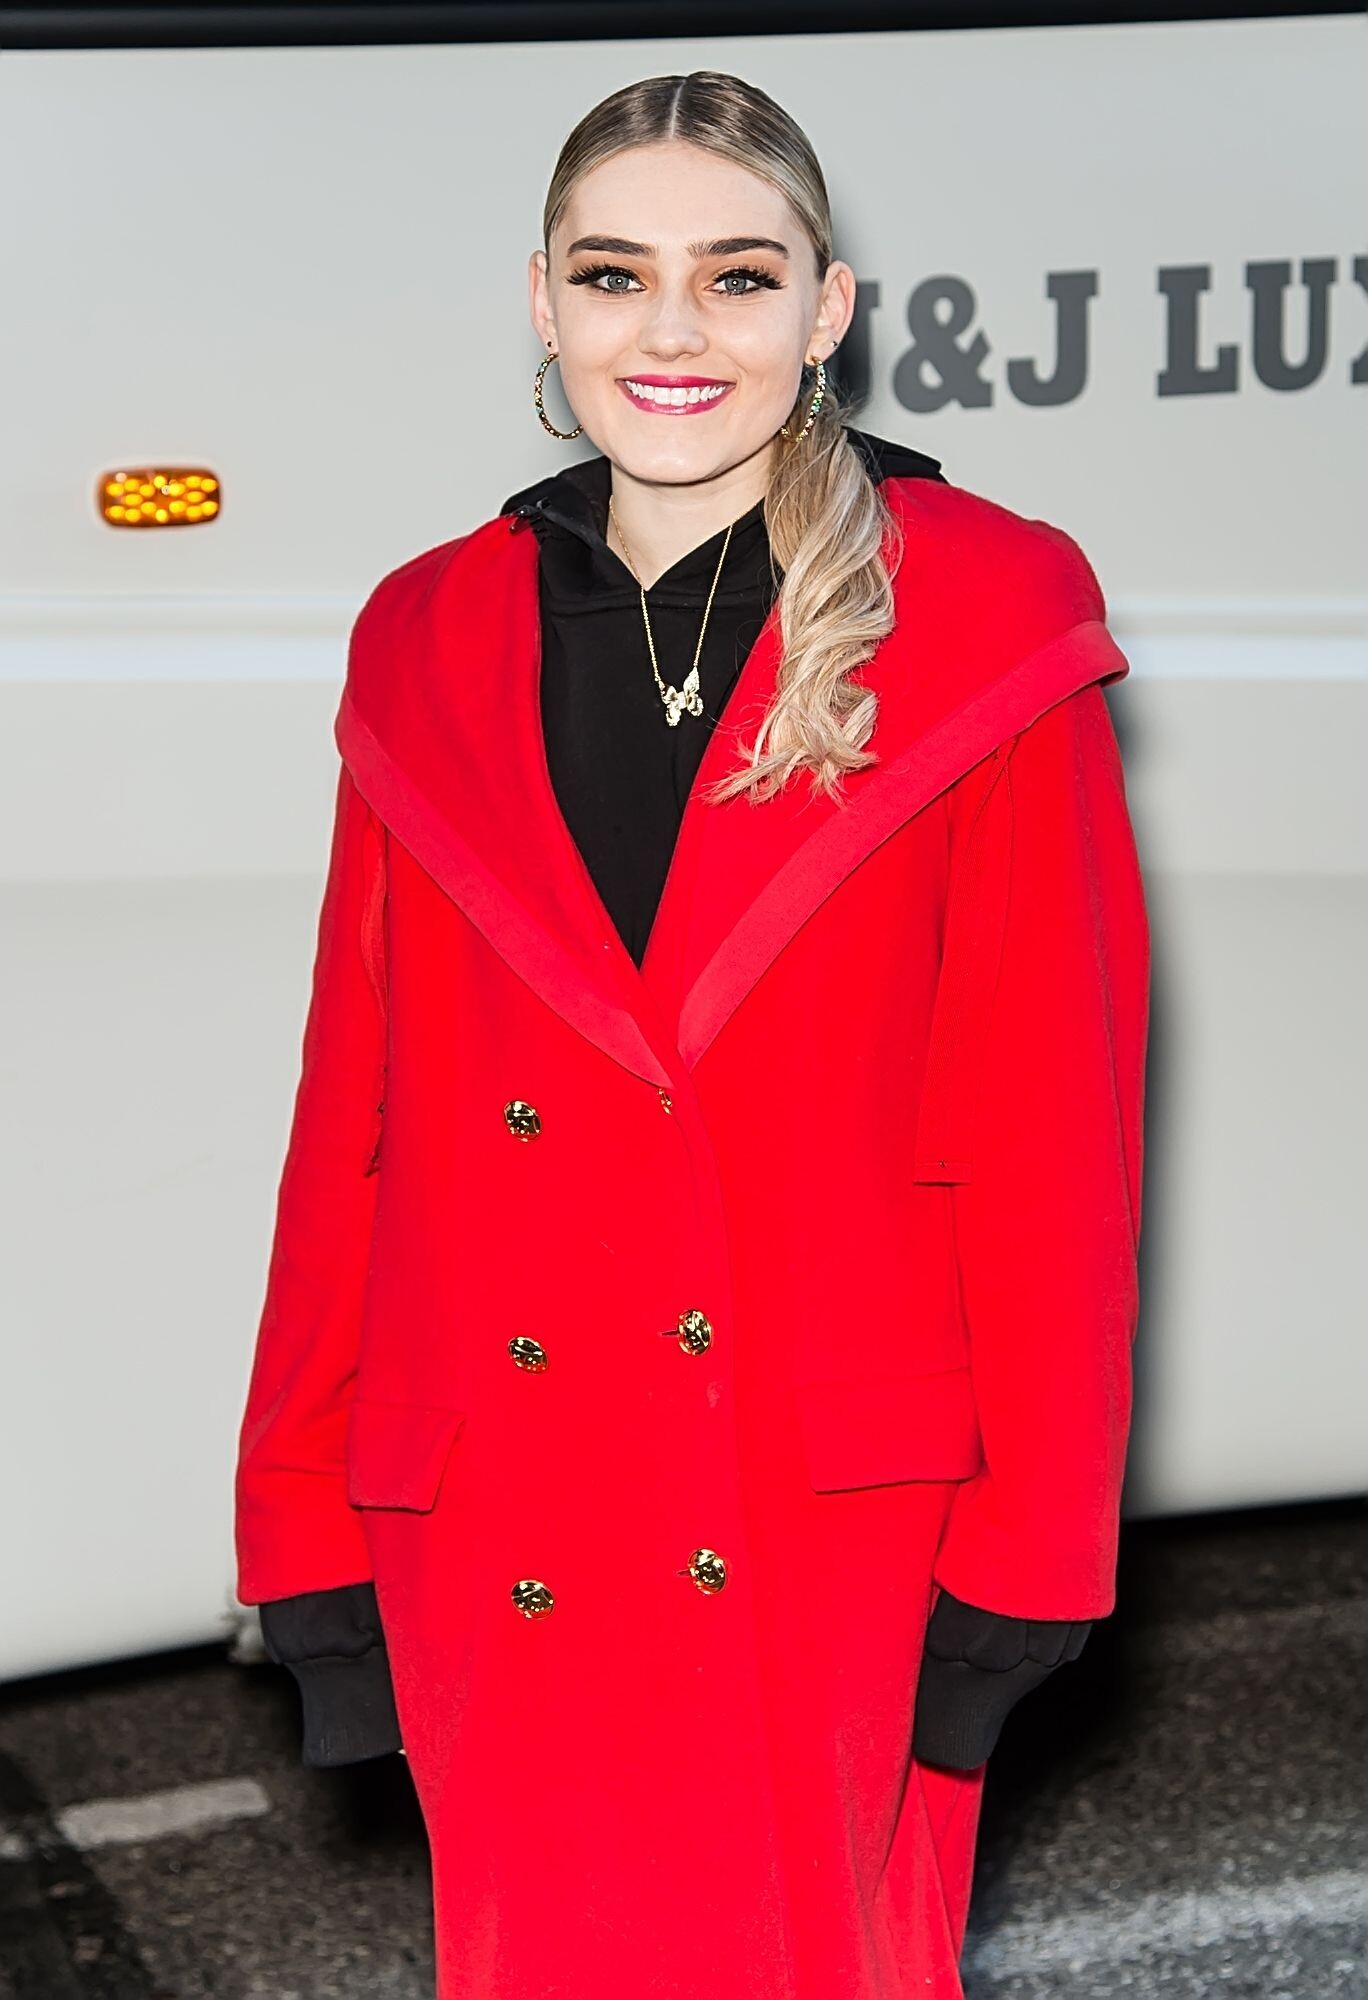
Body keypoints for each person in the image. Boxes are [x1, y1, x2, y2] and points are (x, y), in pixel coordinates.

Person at [234, 69, 1150, 2000]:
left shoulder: (989, 608)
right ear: (542, 304)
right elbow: (355, 1115)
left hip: (827, 1524)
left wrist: (1035, 1559)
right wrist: (301, 1511)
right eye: (614, 275)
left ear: (828, 310)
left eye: (737, 277)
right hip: (503, 1499)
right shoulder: (423, 630)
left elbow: (1054, 1127)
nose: (673, 331)